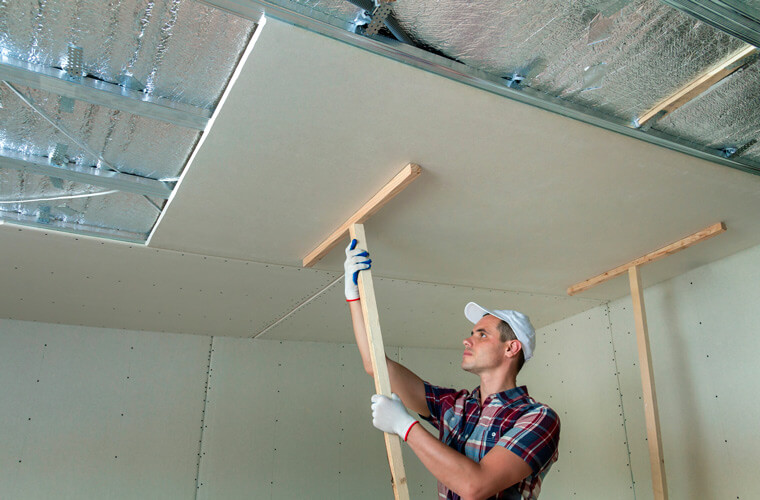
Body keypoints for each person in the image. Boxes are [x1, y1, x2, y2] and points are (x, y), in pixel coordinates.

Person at [344, 239, 560, 500]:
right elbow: (375, 366)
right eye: (471, 333)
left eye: (482, 335)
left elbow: (475, 487)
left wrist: (405, 426)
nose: (467, 340)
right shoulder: (457, 406)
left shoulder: (538, 418)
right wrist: (355, 297)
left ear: (511, 348)